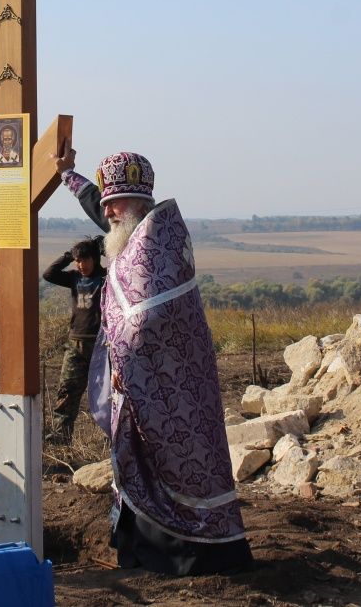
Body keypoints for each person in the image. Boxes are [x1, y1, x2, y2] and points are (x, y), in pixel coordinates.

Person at [68, 150, 252, 575]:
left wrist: (124, 355)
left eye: (115, 203)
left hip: (172, 388)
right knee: (137, 468)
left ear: (137, 205)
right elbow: (105, 214)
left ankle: (191, 556)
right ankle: (140, 554)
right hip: (137, 387)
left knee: (180, 467)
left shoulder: (157, 245)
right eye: (106, 203)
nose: (107, 211)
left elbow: (149, 318)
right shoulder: (132, 237)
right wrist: (66, 176)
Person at [42, 236, 106, 443]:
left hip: (102, 345)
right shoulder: (73, 278)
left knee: (107, 393)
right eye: (78, 261)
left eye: (85, 260)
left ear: (95, 259)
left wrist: (105, 250)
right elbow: (49, 274)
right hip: (76, 343)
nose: (81, 265)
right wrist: (68, 255)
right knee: (68, 389)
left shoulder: (106, 277)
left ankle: (112, 436)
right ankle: (61, 435)